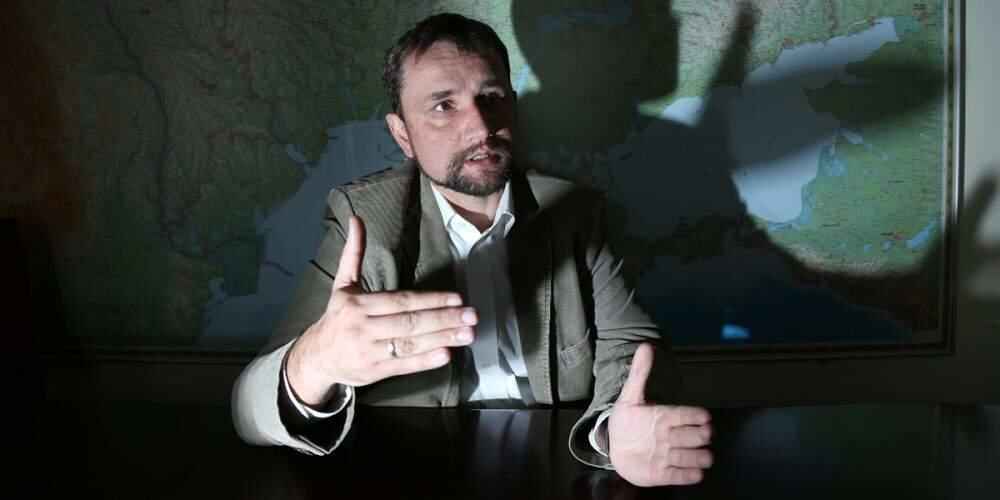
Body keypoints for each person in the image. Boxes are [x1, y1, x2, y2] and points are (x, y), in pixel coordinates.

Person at [231, 12, 712, 487]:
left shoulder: (575, 213)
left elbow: (630, 348)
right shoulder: (365, 221)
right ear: (403, 135)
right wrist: (317, 362)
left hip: (556, 474)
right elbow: (247, 410)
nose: (481, 127)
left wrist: (610, 432)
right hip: (412, 480)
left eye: (491, 98)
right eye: (444, 106)